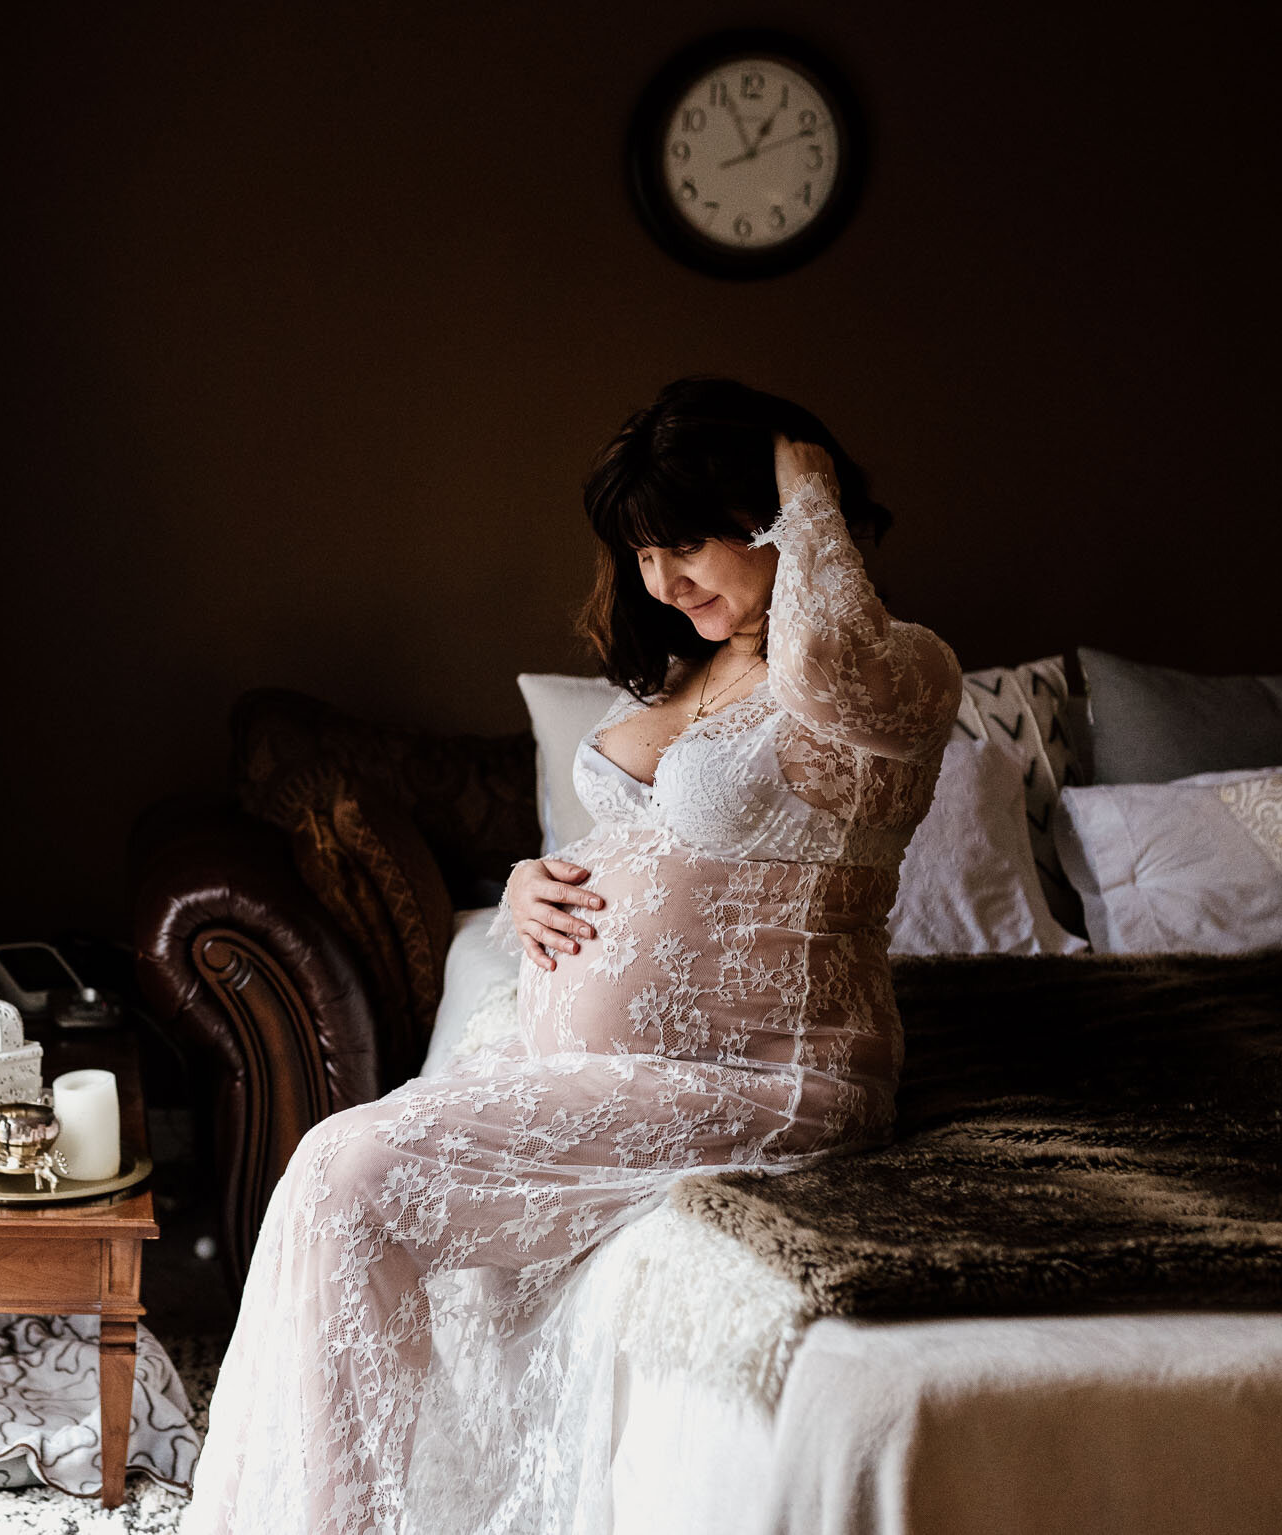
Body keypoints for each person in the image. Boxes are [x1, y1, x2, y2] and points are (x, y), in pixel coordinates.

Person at [181, 377, 963, 1535]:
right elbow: (645, 843)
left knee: (350, 1175)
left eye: (688, 540)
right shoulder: (687, 673)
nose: (663, 579)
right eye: (642, 551)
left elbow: (827, 662)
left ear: (780, 519)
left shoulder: (893, 673)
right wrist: (525, 881)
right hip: (614, 1063)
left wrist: (807, 480)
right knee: (334, 1181)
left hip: (764, 1076)